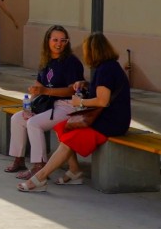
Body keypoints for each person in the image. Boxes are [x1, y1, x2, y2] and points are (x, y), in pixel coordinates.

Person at [18, 33, 131, 192]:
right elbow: (102, 89)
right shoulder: (107, 66)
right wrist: (85, 84)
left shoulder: (106, 69)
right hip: (105, 118)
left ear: (93, 51)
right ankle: (75, 171)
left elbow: (102, 100)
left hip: (110, 123)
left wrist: (80, 102)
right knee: (62, 127)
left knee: (68, 140)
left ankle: (39, 179)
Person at [6, 25, 84, 179]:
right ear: (48, 40)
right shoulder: (46, 59)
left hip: (66, 106)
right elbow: (39, 85)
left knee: (34, 123)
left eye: (63, 40)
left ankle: (39, 166)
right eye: (55, 40)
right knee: (17, 118)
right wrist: (29, 104)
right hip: (46, 104)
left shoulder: (71, 62)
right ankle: (19, 159)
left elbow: (71, 90)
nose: (59, 44)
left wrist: (45, 92)